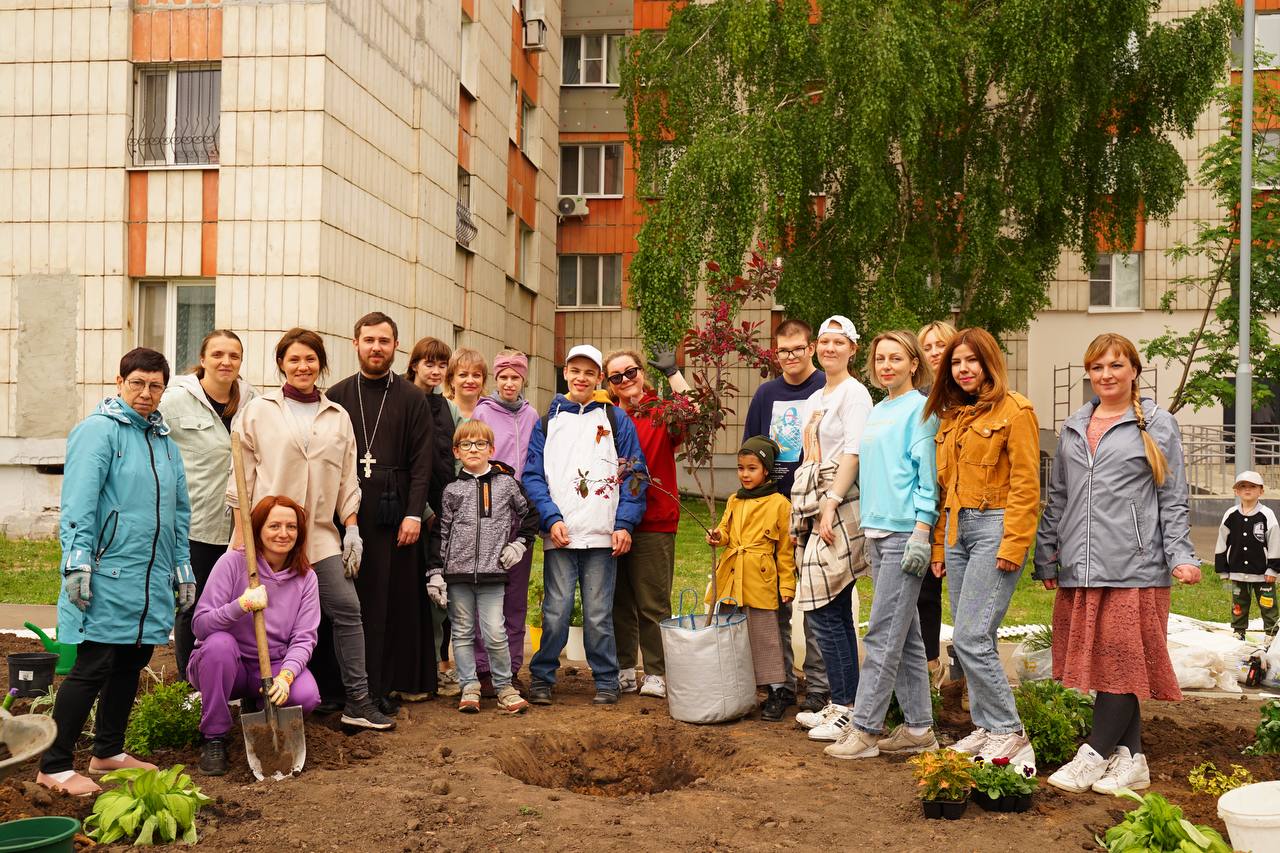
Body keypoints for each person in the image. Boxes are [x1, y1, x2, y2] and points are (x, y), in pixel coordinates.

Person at [1036, 333, 1200, 794]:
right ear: (1089, 374)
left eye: (1115, 366)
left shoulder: (1157, 425)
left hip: (1135, 566)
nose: (1106, 375)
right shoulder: (1073, 425)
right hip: (1082, 567)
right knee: (1108, 664)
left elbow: (1172, 498)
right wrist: (1048, 554)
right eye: (1097, 368)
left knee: (1122, 662)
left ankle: (1094, 753)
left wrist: (1182, 556)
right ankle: (1132, 759)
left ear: (1134, 371)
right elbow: (1060, 498)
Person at [38, 348, 196, 796]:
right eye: (137, 384)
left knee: (132, 660)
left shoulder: (164, 442)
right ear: (120, 382)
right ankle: (53, 765)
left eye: (155, 386)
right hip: (106, 571)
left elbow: (179, 513)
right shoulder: (98, 433)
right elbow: (79, 503)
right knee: (94, 664)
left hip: (150, 578)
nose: (146, 394)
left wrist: (182, 566)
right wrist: (77, 561)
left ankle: (107, 751)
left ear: (164, 389)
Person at [230, 328, 394, 731]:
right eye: (294, 360)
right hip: (271, 534)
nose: (303, 367)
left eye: (310, 359)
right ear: (281, 365)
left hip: (319, 535)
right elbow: (241, 484)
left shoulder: (337, 416)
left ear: (321, 364)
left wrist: (351, 528)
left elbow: (346, 481)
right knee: (264, 617)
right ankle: (257, 695)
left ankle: (357, 700)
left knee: (347, 609)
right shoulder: (258, 411)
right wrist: (242, 542)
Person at [925, 327, 1039, 768]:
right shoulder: (952, 417)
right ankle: (988, 728)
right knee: (977, 635)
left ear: (989, 361)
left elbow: (1028, 486)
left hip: (995, 525)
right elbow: (944, 489)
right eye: (956, 362)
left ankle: (1009, 732)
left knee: (970, 636)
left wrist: (1013, 542)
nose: (963, 369)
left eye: (971, 360)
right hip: (957, 529)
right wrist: (939, 546)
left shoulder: (1017, 410)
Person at [824, 331, 940, 759]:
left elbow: (928, 479)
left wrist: (922, 532)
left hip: (904, 535)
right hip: (875, 532)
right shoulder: (878, 410)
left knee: (881, 634)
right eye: (880, 359)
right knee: (905, 634)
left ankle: (866, 729)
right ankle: (918, 729)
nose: (886, 365)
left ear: (914, 364)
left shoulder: (921, 411)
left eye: (896, 358)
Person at [523, 344, 648, 705]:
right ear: (565, 373)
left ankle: (606, 678)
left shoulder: (614, 420)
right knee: (556, 611)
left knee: (597, 613)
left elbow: (635, 474)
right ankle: (544, 677)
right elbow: (533, 476)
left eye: (589, 372)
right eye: (575, 371)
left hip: (601, 535)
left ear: (598, 379)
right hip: (559, 534)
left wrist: (624, 522)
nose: (581, 378)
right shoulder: (548, 421)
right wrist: (551, 517)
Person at [328, 313, 437, 713]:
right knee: (352, 600)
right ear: (354, 343)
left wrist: (413, 514)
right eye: (369, 340)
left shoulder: (411, 398)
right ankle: (348, 687)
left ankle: (385, 685)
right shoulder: (337, 395)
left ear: (396, 347)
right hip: (349, 513)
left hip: (397, 515)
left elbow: (423, 463)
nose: (377, 347)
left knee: (391, 602)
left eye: (385, 341)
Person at [189, 496, 321, 776]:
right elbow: (200, 625)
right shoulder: (233, 564)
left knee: (306, 696)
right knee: (219, 645)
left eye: (291, 527)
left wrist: (286, 676)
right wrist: (240, 606)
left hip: (272, 666)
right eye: (274, 525)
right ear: (258, 529)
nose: (283, 533)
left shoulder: (306, 577)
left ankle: (262, 713)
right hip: (227, 665)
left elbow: (304, 638)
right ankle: (215, 736)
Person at [791, 315, 873, 743]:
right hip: (815, 502)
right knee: (829, 608)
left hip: (839, 503)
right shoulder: (817, 396)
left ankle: (848, 706)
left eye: (838, 342)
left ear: (852, 349)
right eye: (824, 341)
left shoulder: (855, 395)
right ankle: (842, 702)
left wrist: (830, 504)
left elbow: (854, 453)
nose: (829, 348)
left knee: (826, 606)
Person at [744, 318, 830, 714]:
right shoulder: (766, 395)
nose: (791, 356)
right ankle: (779, 684)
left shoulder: (826, 389)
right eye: (783, 351)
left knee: (813, 602)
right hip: (770, 512)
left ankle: (819, 685)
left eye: (798, 349)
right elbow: (751, 452)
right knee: (771, 602)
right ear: (774, 353)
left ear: (810, 348)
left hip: (814, 510)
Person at [161, 330, 257, 682]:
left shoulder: (253, 403)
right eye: (217, 354)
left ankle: (227, 674)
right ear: (203, 359)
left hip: (239, 527)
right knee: (192, 603)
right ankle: (191, 682)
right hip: (195, 524)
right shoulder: (175, 402)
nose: (225, 362)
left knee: (236, 603)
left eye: (234, 355)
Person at [428, 421, 538, 714]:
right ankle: (469, 686)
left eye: (480, 444)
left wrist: (519, 545)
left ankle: (504, 687)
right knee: (462, 632)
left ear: (491, 449)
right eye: (466, 445)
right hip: (457, 575)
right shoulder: (452, 490)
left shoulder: (507, 484)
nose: (473, 449)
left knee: (494, 631)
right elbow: (441, 532)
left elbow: (531, 516)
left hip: (493, 574)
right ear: (456, 451)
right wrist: (436, 572)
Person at [604, 348, 691, 699]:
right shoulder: (605, 418)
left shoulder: (660, 412)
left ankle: (656, 671)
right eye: (616, 377)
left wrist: (674, 373)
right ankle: (625, 667)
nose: (626, 380)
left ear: (642, 371)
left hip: (655, 518)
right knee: (618, 599)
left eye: (631, 372)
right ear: (609, 385)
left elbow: (692, 414)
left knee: (652, 601)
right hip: (612, 520)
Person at [706, 436, 796, 720]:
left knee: (765, 635)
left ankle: (777, 690)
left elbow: (784, 550)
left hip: (760, 579)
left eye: (752, 468)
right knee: (731, 632)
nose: (745, 474)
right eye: (741, 468)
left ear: (766, 470)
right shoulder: (734, 499)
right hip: (733, 577)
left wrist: (787, 585)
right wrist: (718, 537)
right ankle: (737, 688)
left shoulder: (780, 504)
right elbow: (725, 530)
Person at [470, 350, 540, 693]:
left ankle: (511, 670)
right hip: (488, 517)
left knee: (515, 597)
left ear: (523, 380)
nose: (509, 383)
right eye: (503, 377)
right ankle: (484, 670)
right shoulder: (483, 412)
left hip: (521, 519)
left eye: (515, 377)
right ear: (495, 380)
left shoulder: (532, 416)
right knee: (487, 592)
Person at [406, 336, 460, 696]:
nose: (436, 371)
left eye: (442, 365)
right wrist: (421, 511)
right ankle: (413, 670)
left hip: (444, 514)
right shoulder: (404, 400)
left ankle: (440, 666)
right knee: (410, 594)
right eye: (429, 363)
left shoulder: (449, 409)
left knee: (439, 595)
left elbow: (455, 459)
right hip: (409, 513)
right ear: (414, 365)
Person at [914, 320, 957, 685]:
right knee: (926, 588)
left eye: (941, 345)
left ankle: (964, 674)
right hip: (929, 501)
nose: (934, 352)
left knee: (962, 593)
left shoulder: (968, 391)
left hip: (963, 504)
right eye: (927, 347)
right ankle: (930, 667)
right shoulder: (920, 396)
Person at [1214, 471, 1280, 640]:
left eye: (1253, 486)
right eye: (1243, 486)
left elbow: (1274, 542)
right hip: (1237, 571)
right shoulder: (1231, 514)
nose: (1247, 490)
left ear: (1261, 491)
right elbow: (1222, 541)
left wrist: (1273, 569)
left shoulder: (1267, 514)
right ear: (1236, 491)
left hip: (1262, 573)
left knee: (1268, 603)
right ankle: (1238, 630)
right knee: (1239, 602)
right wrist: (1223, 569)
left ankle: (1271, 633)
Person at [446, 347, 488, 422]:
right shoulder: (442, 412)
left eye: (476, 375)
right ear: (451, 380)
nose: (470, 381)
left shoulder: (490, 413)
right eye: (463, 375)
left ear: (483, 380)